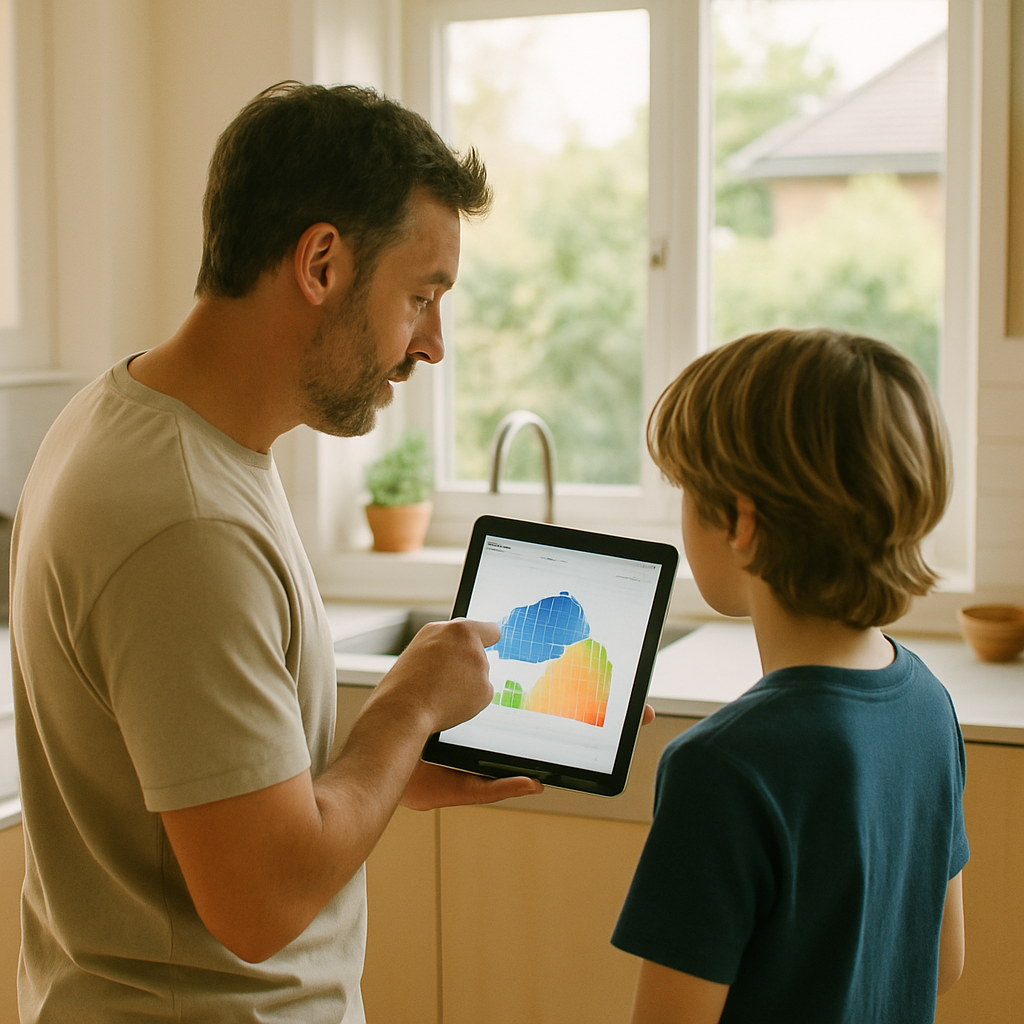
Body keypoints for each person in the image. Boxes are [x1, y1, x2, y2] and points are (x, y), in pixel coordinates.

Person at [9, 82, 543, 1024]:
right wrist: (406, 706)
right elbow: (262, 903)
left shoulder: (136, 418)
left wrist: (382, 768)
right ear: (323, 262)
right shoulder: (186, 521)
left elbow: (199, 797)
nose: (434, 344)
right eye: (420, 296)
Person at [611, 327, 968, 1024]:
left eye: (684, 489)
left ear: (742, 521)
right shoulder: (928, 702)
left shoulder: (720, 766)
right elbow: (943, 960)